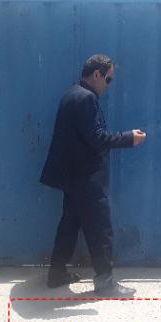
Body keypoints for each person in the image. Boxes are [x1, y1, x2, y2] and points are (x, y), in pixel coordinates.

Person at [40, 54, 147, 296]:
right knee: (100, 230)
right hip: (87, 178)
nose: (108, 85)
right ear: (97, 74)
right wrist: (129, 138)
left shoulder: (72, 94)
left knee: (69, 225)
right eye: (108, 79)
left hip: (73, 177)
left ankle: (56, 273)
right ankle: (105, 283)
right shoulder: (86, 98)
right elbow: (97, 138)